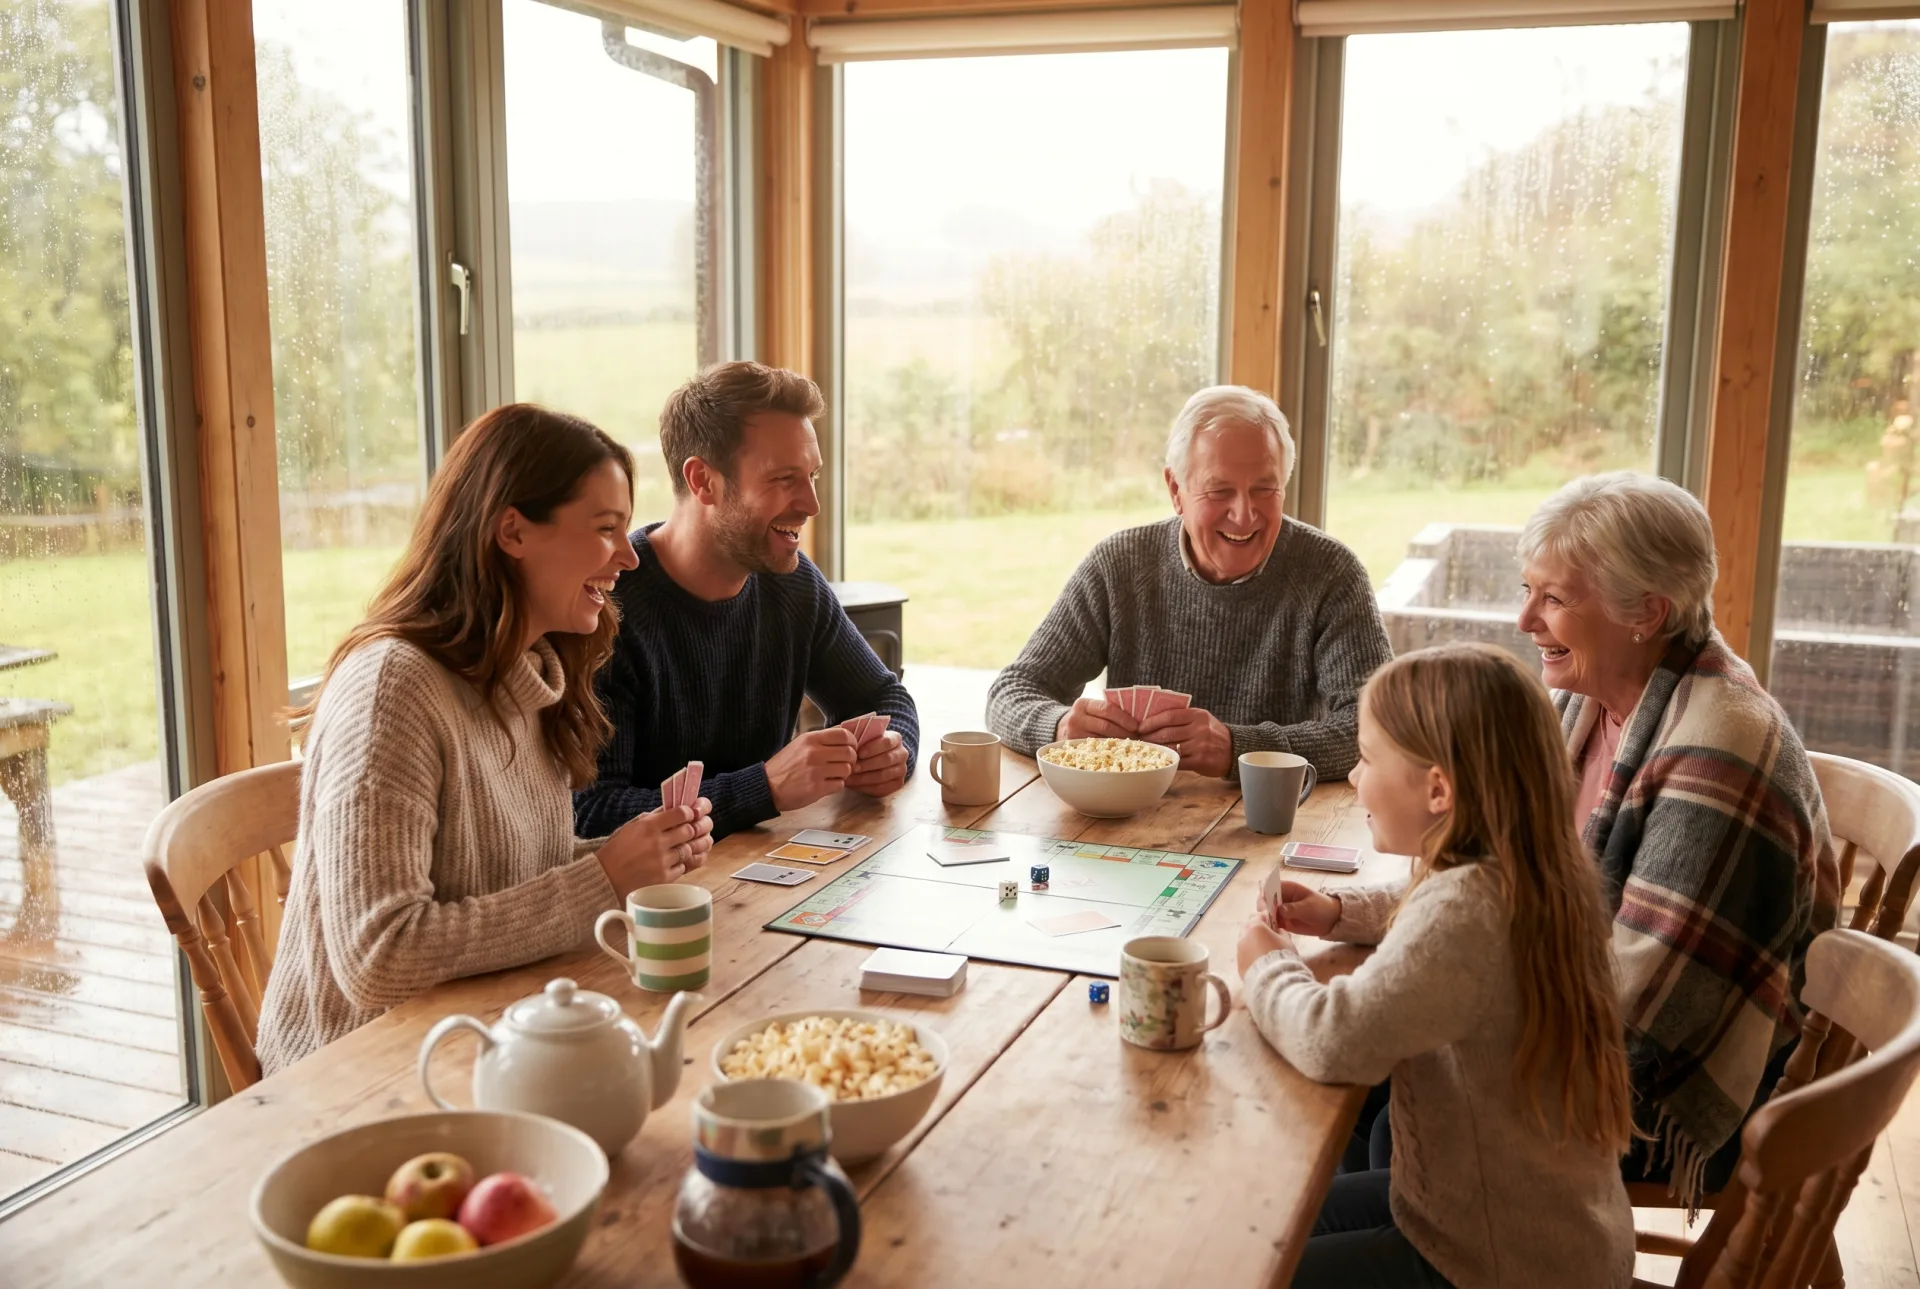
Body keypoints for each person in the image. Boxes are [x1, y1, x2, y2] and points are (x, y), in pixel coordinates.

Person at [258, 405, 714, 1074]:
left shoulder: (529, 673)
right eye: (606, 529)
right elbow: (380, 956)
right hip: (363, 1074)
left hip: (484, 1032)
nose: (628, 555)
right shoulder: (392, 689)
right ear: (512, 532)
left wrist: (634, 857)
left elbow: (504, 874)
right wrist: (603, 879)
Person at [1239, 644, 1635, 1289]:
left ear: (1439, 789)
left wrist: (1268, 966)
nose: (1355, 778)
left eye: (1367, 759)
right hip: (1534, 1231)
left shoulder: (1465, 909)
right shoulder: (1534, 871)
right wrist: (1338, 911)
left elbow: (1334, 1041)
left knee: (1243, 1267)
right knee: (1263, 1224)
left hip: (1492, 1264)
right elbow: (1428, 910)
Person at [1515, 471, 1837, 1202]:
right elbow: (1502, 868)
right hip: (1593, 1018)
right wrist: (1358, 915)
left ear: (1647, 612)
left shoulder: (1719, 743)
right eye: (1527, 589)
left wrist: (1464, 1008)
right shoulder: (1588, 701)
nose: (1525, 618)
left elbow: (1645, 1006)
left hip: (1681, 1084)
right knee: (1376, 1082)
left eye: (1554, 598)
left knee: (1400, 1101)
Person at [572, 362, 919, 842]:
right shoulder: (605, 607)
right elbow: (593, 813)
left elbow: (884, 696)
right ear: (702, 480)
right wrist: (766, 788)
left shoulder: (794, 584)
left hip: (763, 869)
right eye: (784, 479)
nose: (811, 504)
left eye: (812, 476)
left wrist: (895, 749)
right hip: (661, 889)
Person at [985, 386, 1390, 781]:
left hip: (1280, 817)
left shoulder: (1331, 574)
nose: (1244, 514)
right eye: (1220, 491)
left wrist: (1239, 748)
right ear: (1176, 490)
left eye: (1265, 490)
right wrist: (1059, 727)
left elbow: (1379, 731)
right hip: (1132, 813)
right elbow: (1012, 691)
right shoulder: (1120, 566)